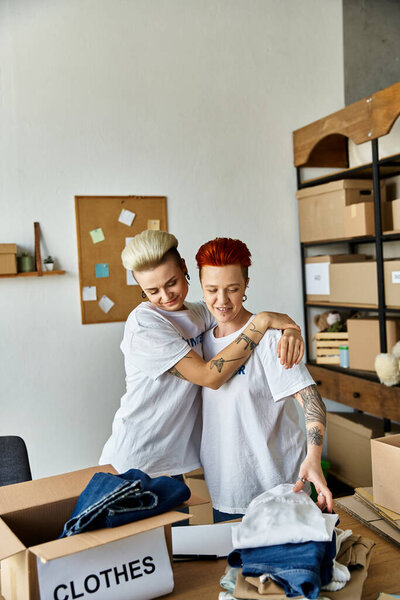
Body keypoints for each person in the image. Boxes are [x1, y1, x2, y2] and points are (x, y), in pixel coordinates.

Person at [99, 230, 304, 481]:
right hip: (135, 461)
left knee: (183, 522)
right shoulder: (144, 324)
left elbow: (239, 319)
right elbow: (209, 376)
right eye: (152, 291)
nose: (165, 296)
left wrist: (288, 332)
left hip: (175, 464)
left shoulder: (199, 314)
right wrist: (263, 322)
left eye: (171, 282)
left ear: (184, 267)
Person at [195, 237, 333, 522]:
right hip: (224, 491)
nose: (222, 301)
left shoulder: (272, 339)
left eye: (232, 289)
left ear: (246, 285)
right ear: (201, 287)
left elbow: (311, 400)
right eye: (212, 290)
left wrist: (314, 456)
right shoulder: (199, 341)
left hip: (279, 489)